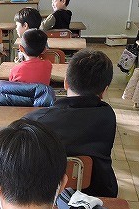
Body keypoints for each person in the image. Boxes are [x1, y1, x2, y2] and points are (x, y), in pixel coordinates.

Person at [25, 49, 117, 197]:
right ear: (104, 91)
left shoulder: (34, 121)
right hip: (96, 195)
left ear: (66, 83)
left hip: (43, 195)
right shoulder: (107, 116)